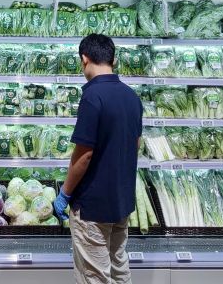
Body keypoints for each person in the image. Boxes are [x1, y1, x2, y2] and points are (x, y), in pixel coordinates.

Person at [54, 34, 143, 284]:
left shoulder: (93, 96)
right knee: (118, 268)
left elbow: (84, 155)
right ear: (114, 60)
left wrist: (65, 193)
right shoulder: (131, 96)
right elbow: (135, 144)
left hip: (93, 206)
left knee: (94, 276)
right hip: (121, 201)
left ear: (84, 59)